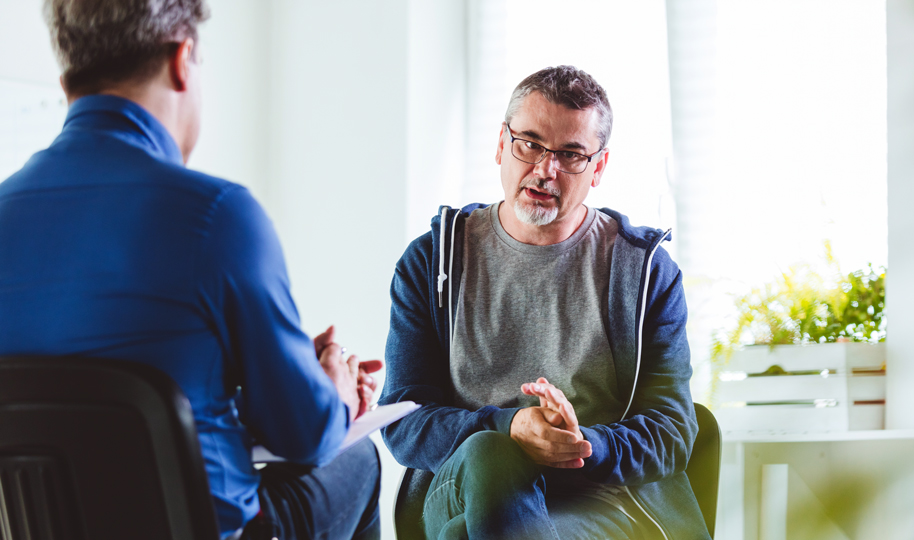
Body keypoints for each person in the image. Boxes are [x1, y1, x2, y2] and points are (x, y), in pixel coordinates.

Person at [0, 1, 381, 539]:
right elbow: (305, 434)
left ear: (66, 84)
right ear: (183, 60)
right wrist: (335, 389)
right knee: (359, 459)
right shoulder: (217, 215)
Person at [379, 65, 709, 540]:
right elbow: (406, 420)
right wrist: (510, 427)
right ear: (500, 144)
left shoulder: (644, 272)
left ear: (598, 168)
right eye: (529, 143)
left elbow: (672, 433)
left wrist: (581, 444)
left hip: (597, 498)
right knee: (492, 455)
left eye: (571, 154)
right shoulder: (432, 263)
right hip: (465, 481)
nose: (545, 169)